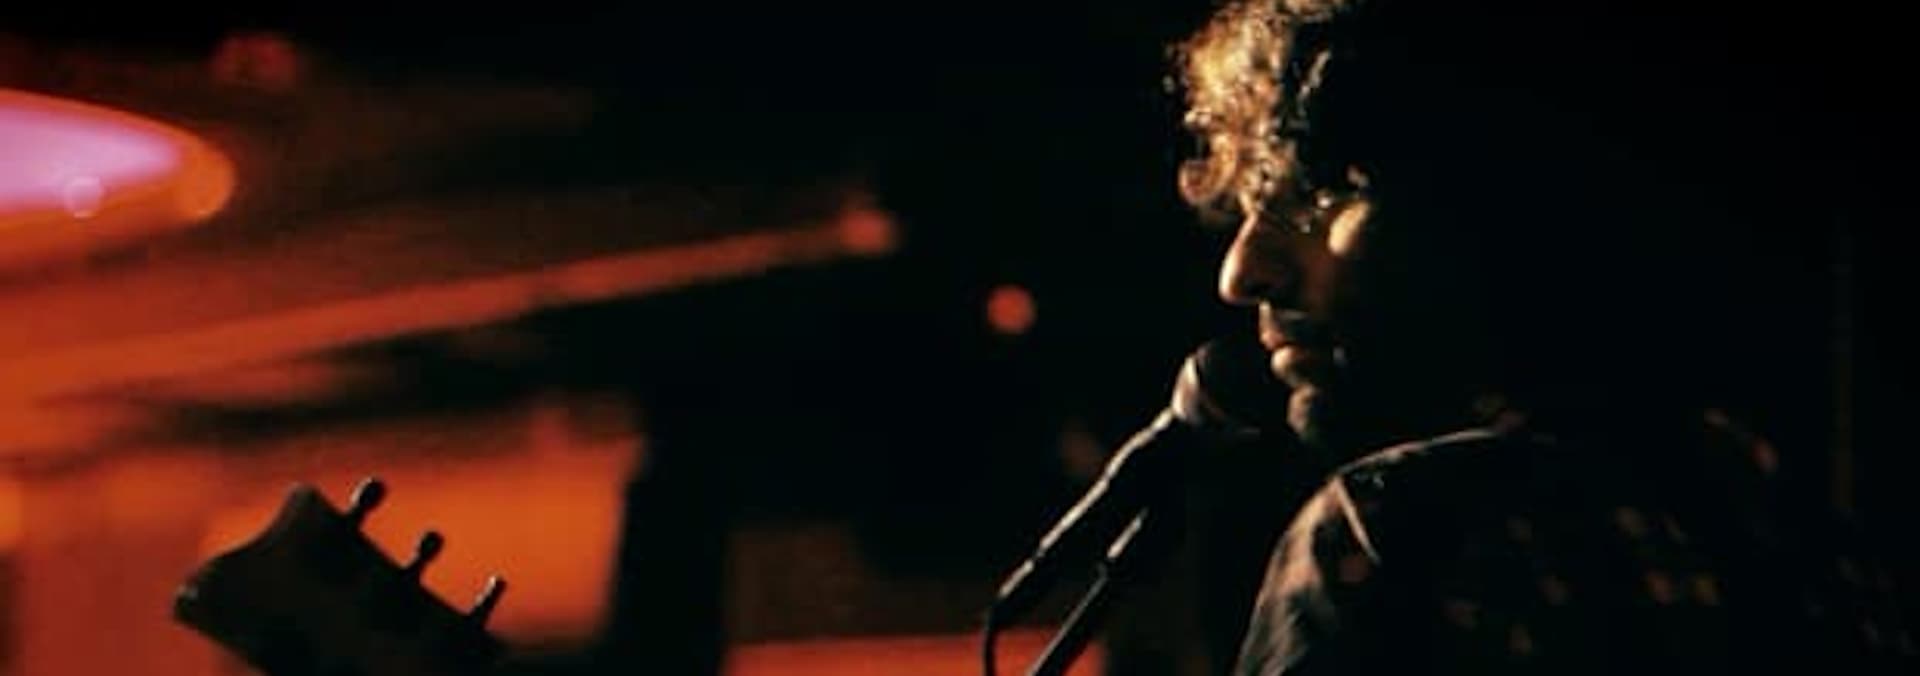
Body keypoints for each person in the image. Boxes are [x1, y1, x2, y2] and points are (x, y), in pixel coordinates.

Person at [1165, 0, 1914, 673]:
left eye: (1320, 195)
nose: (1242, 272)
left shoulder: (1395, 526)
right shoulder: (1788, 528)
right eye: (1254, 206)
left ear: (1487, 206)